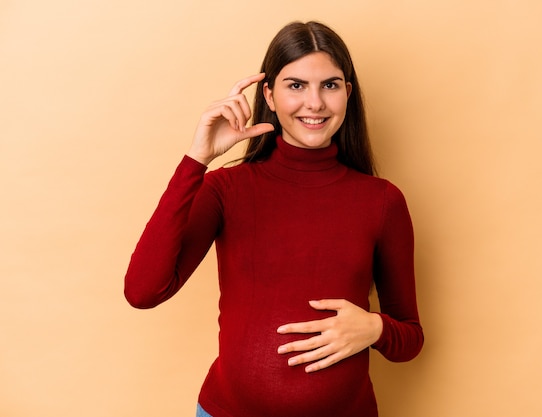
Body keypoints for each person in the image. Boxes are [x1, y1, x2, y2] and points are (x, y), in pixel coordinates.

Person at [124, 20, 424, 417]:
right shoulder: (226, 189)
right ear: (269, 94)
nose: (314, 103)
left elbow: (410, 338)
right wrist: (197, 159)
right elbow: (143, 291)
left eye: (330, 85)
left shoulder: (382, 201)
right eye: (296, 85)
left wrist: (376, 328)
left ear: (348, 94)